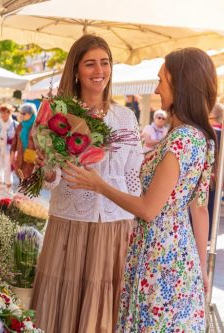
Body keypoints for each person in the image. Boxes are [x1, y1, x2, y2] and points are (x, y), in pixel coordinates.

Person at [63, 48, 217, 332]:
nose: (157, 88)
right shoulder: (201, 138)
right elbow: (198, 209)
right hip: (179, 256)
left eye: (162, 80)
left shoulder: (181, 140)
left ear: (181, 85)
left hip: (160, 256)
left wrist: (98, 185)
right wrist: (198, 270)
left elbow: (148, 209)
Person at [30, 34, 143, 333]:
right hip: (70, 223)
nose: (99, 71)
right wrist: (48, 171)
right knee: (60, 310)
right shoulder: (58, 115)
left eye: (105, 63)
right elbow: (51, 180)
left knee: (102, 311)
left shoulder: (125, 118)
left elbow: (134, 178)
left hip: (115, 228)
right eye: (90, 64)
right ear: (76, 70)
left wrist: (134, 219)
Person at [206, 103, 223, 240]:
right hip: (218, 174)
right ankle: (210, 235)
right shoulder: (221, 131)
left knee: (203, 206)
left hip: (208, 173)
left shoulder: (209, 131)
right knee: (212, 205)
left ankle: (205, 235)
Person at [10, 103, 37, 181]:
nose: (21, 115)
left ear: (31, 114)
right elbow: (14, 141)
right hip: (20, 156)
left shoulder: (36, 126)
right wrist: (12, 153)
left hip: (32, 157)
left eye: (23, 113)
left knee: (28, 179)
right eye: (21, 113)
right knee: (20, 177)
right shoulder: (21, 125)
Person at [0, 104, 16, 188]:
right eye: (2, 113)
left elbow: (16, 139)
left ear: (9, 113)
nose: (3, 115)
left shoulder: (14, 124)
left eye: (5, 113)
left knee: (8, 167)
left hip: (9, 149)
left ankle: (8, 186)